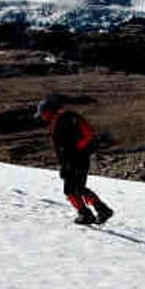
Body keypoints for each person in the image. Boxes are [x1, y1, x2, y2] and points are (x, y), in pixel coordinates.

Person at [36, 95, 113, 225]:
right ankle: (97, 211)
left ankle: (90, 213)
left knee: (72, 189)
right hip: (75, 159)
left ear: (49, 111)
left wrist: (73, 155)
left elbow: (78, 140)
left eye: (43, 113)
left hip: (76, 160)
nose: (42, 117)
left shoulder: (64, 118)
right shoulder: (64, 118)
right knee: (77, 188)